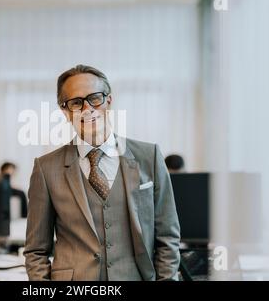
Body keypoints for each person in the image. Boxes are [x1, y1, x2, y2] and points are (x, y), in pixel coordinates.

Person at [24, 65, 180, 281]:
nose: (87, 108)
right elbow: (36, 251)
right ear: (65, 111)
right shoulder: (45, 168)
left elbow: (167, 238)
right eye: (76, 102)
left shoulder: (149, 157)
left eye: (94, 98)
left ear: (109, 101)